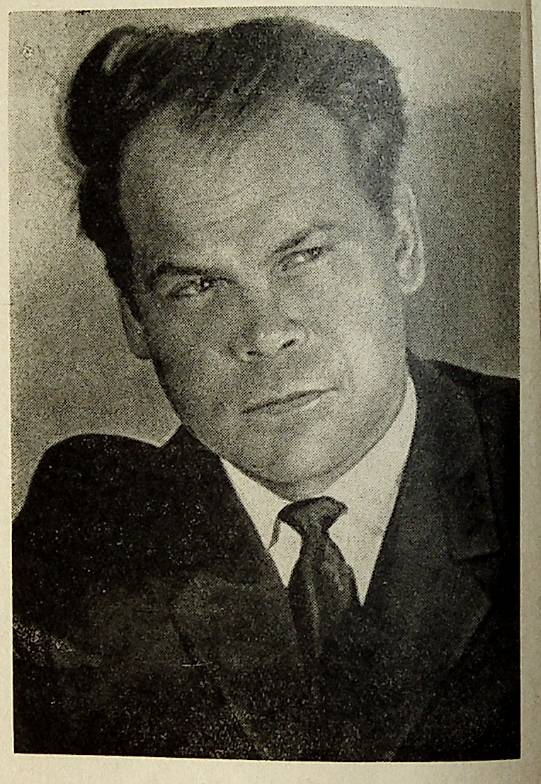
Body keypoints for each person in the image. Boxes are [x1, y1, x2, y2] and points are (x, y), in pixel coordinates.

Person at [12, 17, 519, 761]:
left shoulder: (522, 463)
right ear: (135, 320)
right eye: (198, 286)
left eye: (304, 256)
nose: (264, 331)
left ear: (403, 241)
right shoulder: (84, 539)